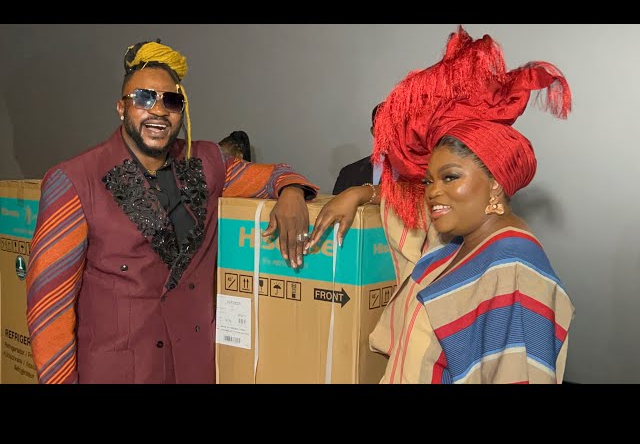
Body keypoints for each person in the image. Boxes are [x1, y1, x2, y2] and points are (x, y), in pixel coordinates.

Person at [25, 39, 319, 384]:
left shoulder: (207, 162)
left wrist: (291, 192)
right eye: (144, 98)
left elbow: (273, 175)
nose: (159, 110)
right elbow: (49, 307)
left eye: (171, 101)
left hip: (194, 368)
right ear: (121, 107)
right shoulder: (75, 180)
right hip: (118, 373)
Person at [307, 26, 575, 384]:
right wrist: (359, 193)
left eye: (450, 177)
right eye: (429, 180)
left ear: (495, 183)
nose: (433, 192)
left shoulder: (513, 269)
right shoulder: (454, 249)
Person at [332, 102, 384, 195]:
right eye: (383, 128)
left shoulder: (413, 173)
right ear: (374, 132)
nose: (390, 134)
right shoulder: (349, 173)